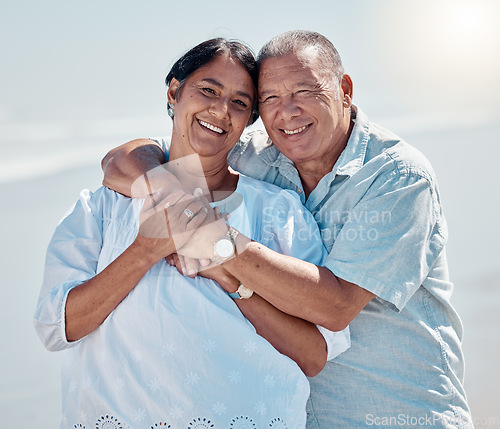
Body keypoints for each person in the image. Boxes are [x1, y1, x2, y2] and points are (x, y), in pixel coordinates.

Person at [102, 30, 474, 428]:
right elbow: (126, 157)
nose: (288, 112)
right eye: (270, 99)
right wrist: (171, 198)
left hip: (400, 415)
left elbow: (334, 307)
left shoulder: (397, 177)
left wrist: (213, 239)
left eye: (304, 91)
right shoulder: (256, 157)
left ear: (344, 89)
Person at [34, 38, 350, 429]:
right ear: (173, 91)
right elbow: (55, 327)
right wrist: (146, 250)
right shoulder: (104, 204)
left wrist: (227, 274)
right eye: (208, 90)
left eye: (240, 103)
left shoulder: (278, 211)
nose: (220, 110)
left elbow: (315, 356)